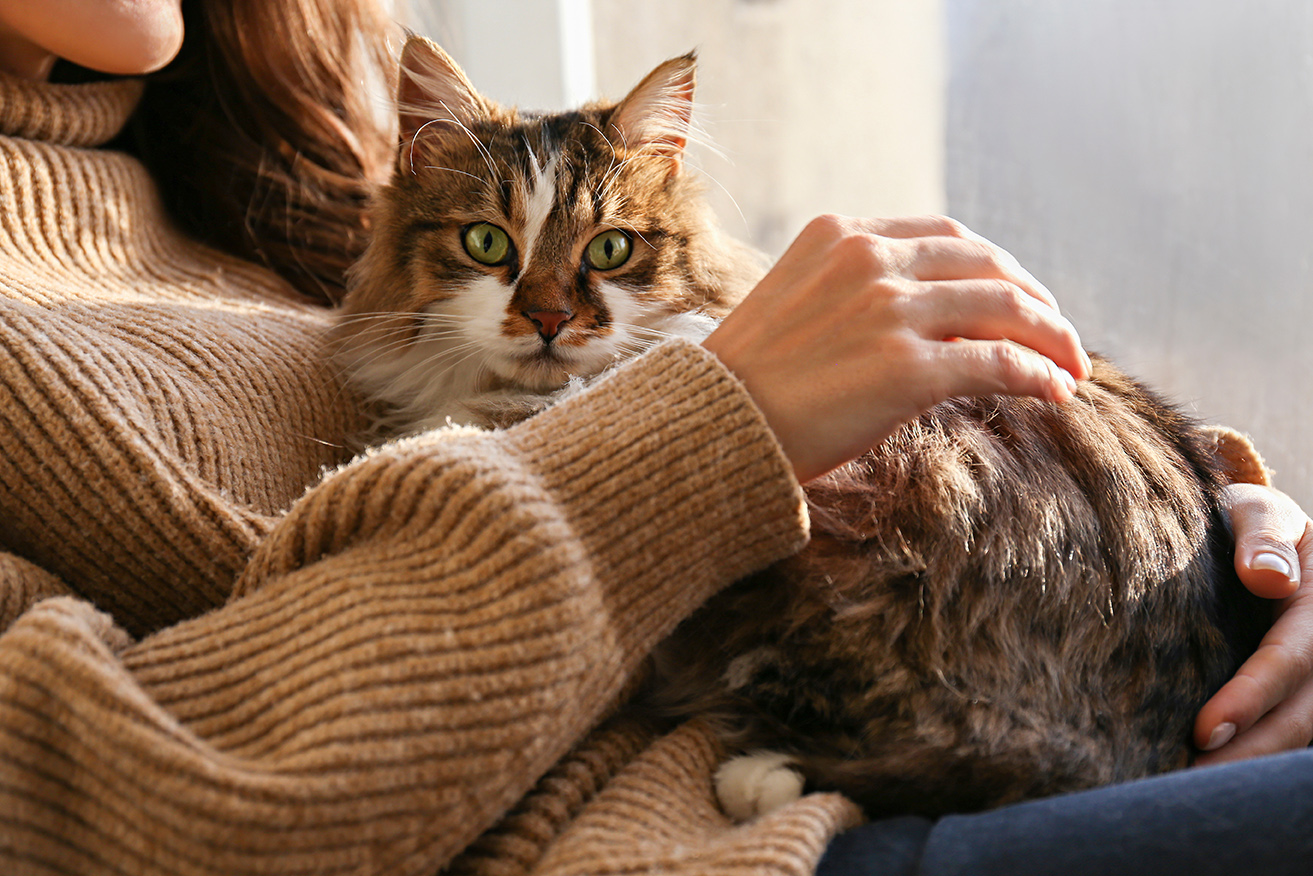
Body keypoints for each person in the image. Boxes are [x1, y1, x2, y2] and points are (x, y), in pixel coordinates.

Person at [0, 2, 1309, 875]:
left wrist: (1212, 527)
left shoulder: (262, 175)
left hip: (947, 722)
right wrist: (705, 439)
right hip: (719, 836)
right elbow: (100, 796)